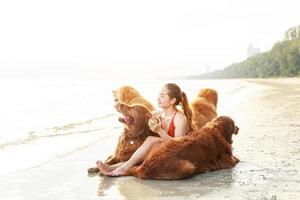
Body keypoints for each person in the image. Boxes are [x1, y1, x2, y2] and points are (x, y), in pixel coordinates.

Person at [96, 83, 195, 176]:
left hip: (178, 153)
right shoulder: (158, 113)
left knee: (152, 140)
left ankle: (123, 168)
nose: (158, 98)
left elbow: (178, 144)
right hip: (163, 148)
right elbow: (140, 117)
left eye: (162, 96)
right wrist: (127, 117)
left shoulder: (180, 118)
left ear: (172, 100)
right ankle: (113, 167)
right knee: (149, 147)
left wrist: (159, 130)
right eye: (159, 95)